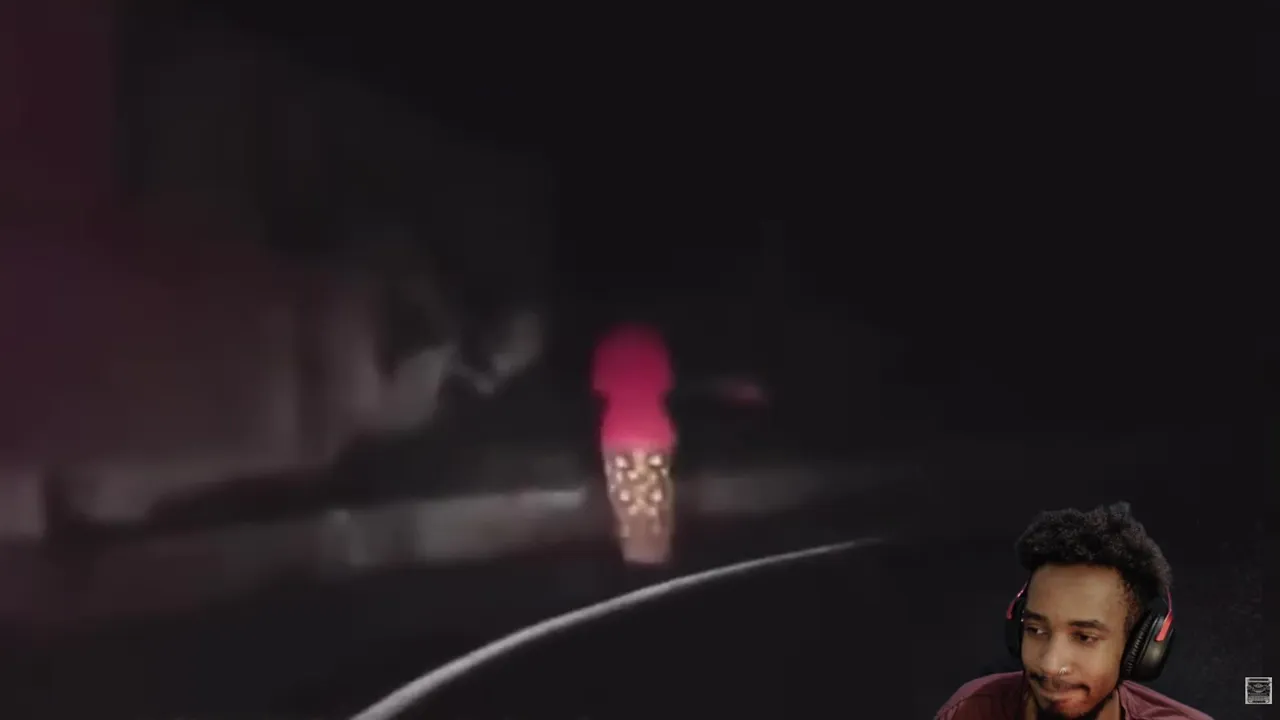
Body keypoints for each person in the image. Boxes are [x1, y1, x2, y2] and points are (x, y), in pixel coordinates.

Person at [936, 502, 1213, 720]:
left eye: (1084, 637)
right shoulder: (969, 712)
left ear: (1139, 650)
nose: (1051, 665)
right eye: (1036, 630)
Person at [591, 322, 678, 565]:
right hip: (655, 432)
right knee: (655, 508)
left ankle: (635, 564)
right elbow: (666, 383)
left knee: (629, 509)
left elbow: (600, 385)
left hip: (618, 432)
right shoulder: (654, 342)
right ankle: (659, 560)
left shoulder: (608, 344)